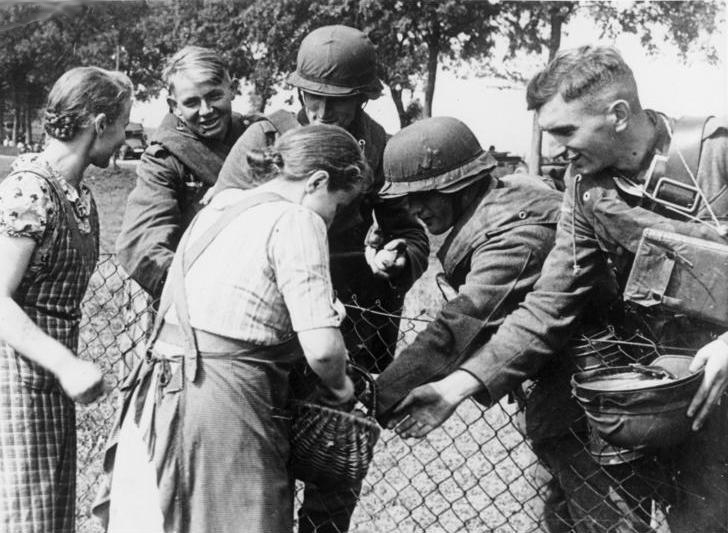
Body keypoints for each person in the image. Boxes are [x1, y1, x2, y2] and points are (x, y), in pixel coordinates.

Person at [388, 45, 728, 532]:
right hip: (669, 392)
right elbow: (549, 304)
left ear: (616, 115)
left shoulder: (715, 152)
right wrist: (454, 387)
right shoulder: (586, 188)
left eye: (566, 131)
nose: (552, 151)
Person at [375, 116, 657, 532]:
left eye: (425, 194)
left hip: (592, 406)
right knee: (557, 518)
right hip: (565, 401)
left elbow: (462, 322)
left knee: (607, 522)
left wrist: (376, 394)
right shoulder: (509, 200)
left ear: (461, 185)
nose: (413, 208)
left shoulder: (514, 236)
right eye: (406, 198)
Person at [93, 124, 368, 533]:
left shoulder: (224, 204)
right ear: (318, 181)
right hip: (224, 398)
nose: (333, 216)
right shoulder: (296, 219)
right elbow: (323, 349)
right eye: (338, 205)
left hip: (161, 391)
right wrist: (343, 389)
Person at [210, 25, 429, 532]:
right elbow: (223, 214)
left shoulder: (382, 146)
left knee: (335, 480)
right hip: (271, 329)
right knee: (266, 471)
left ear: (364, 98)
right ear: (298, 90)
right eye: (314, 99)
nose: (323, 115)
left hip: (352, 333)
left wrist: (399, 258)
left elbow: (412, 235)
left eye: (340, 103)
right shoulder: (267, 136)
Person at [0, 66, 133, 532]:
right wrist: (67, 365)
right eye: (123, 123)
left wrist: (62, 367)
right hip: (6, 373)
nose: (126, 136)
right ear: (100, 124)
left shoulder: (77, 195)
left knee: (39, 514)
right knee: (5, 513)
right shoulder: (27, 190)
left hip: (45, 377)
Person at [116, 46, 258, 300]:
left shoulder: (259, 136)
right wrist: (200, 293)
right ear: (174, 106)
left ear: (233, 89)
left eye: (214, 96)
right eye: (192, 102)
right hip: (199, 296)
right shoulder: (165, 158)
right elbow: (142, 245)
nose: (206, 111)